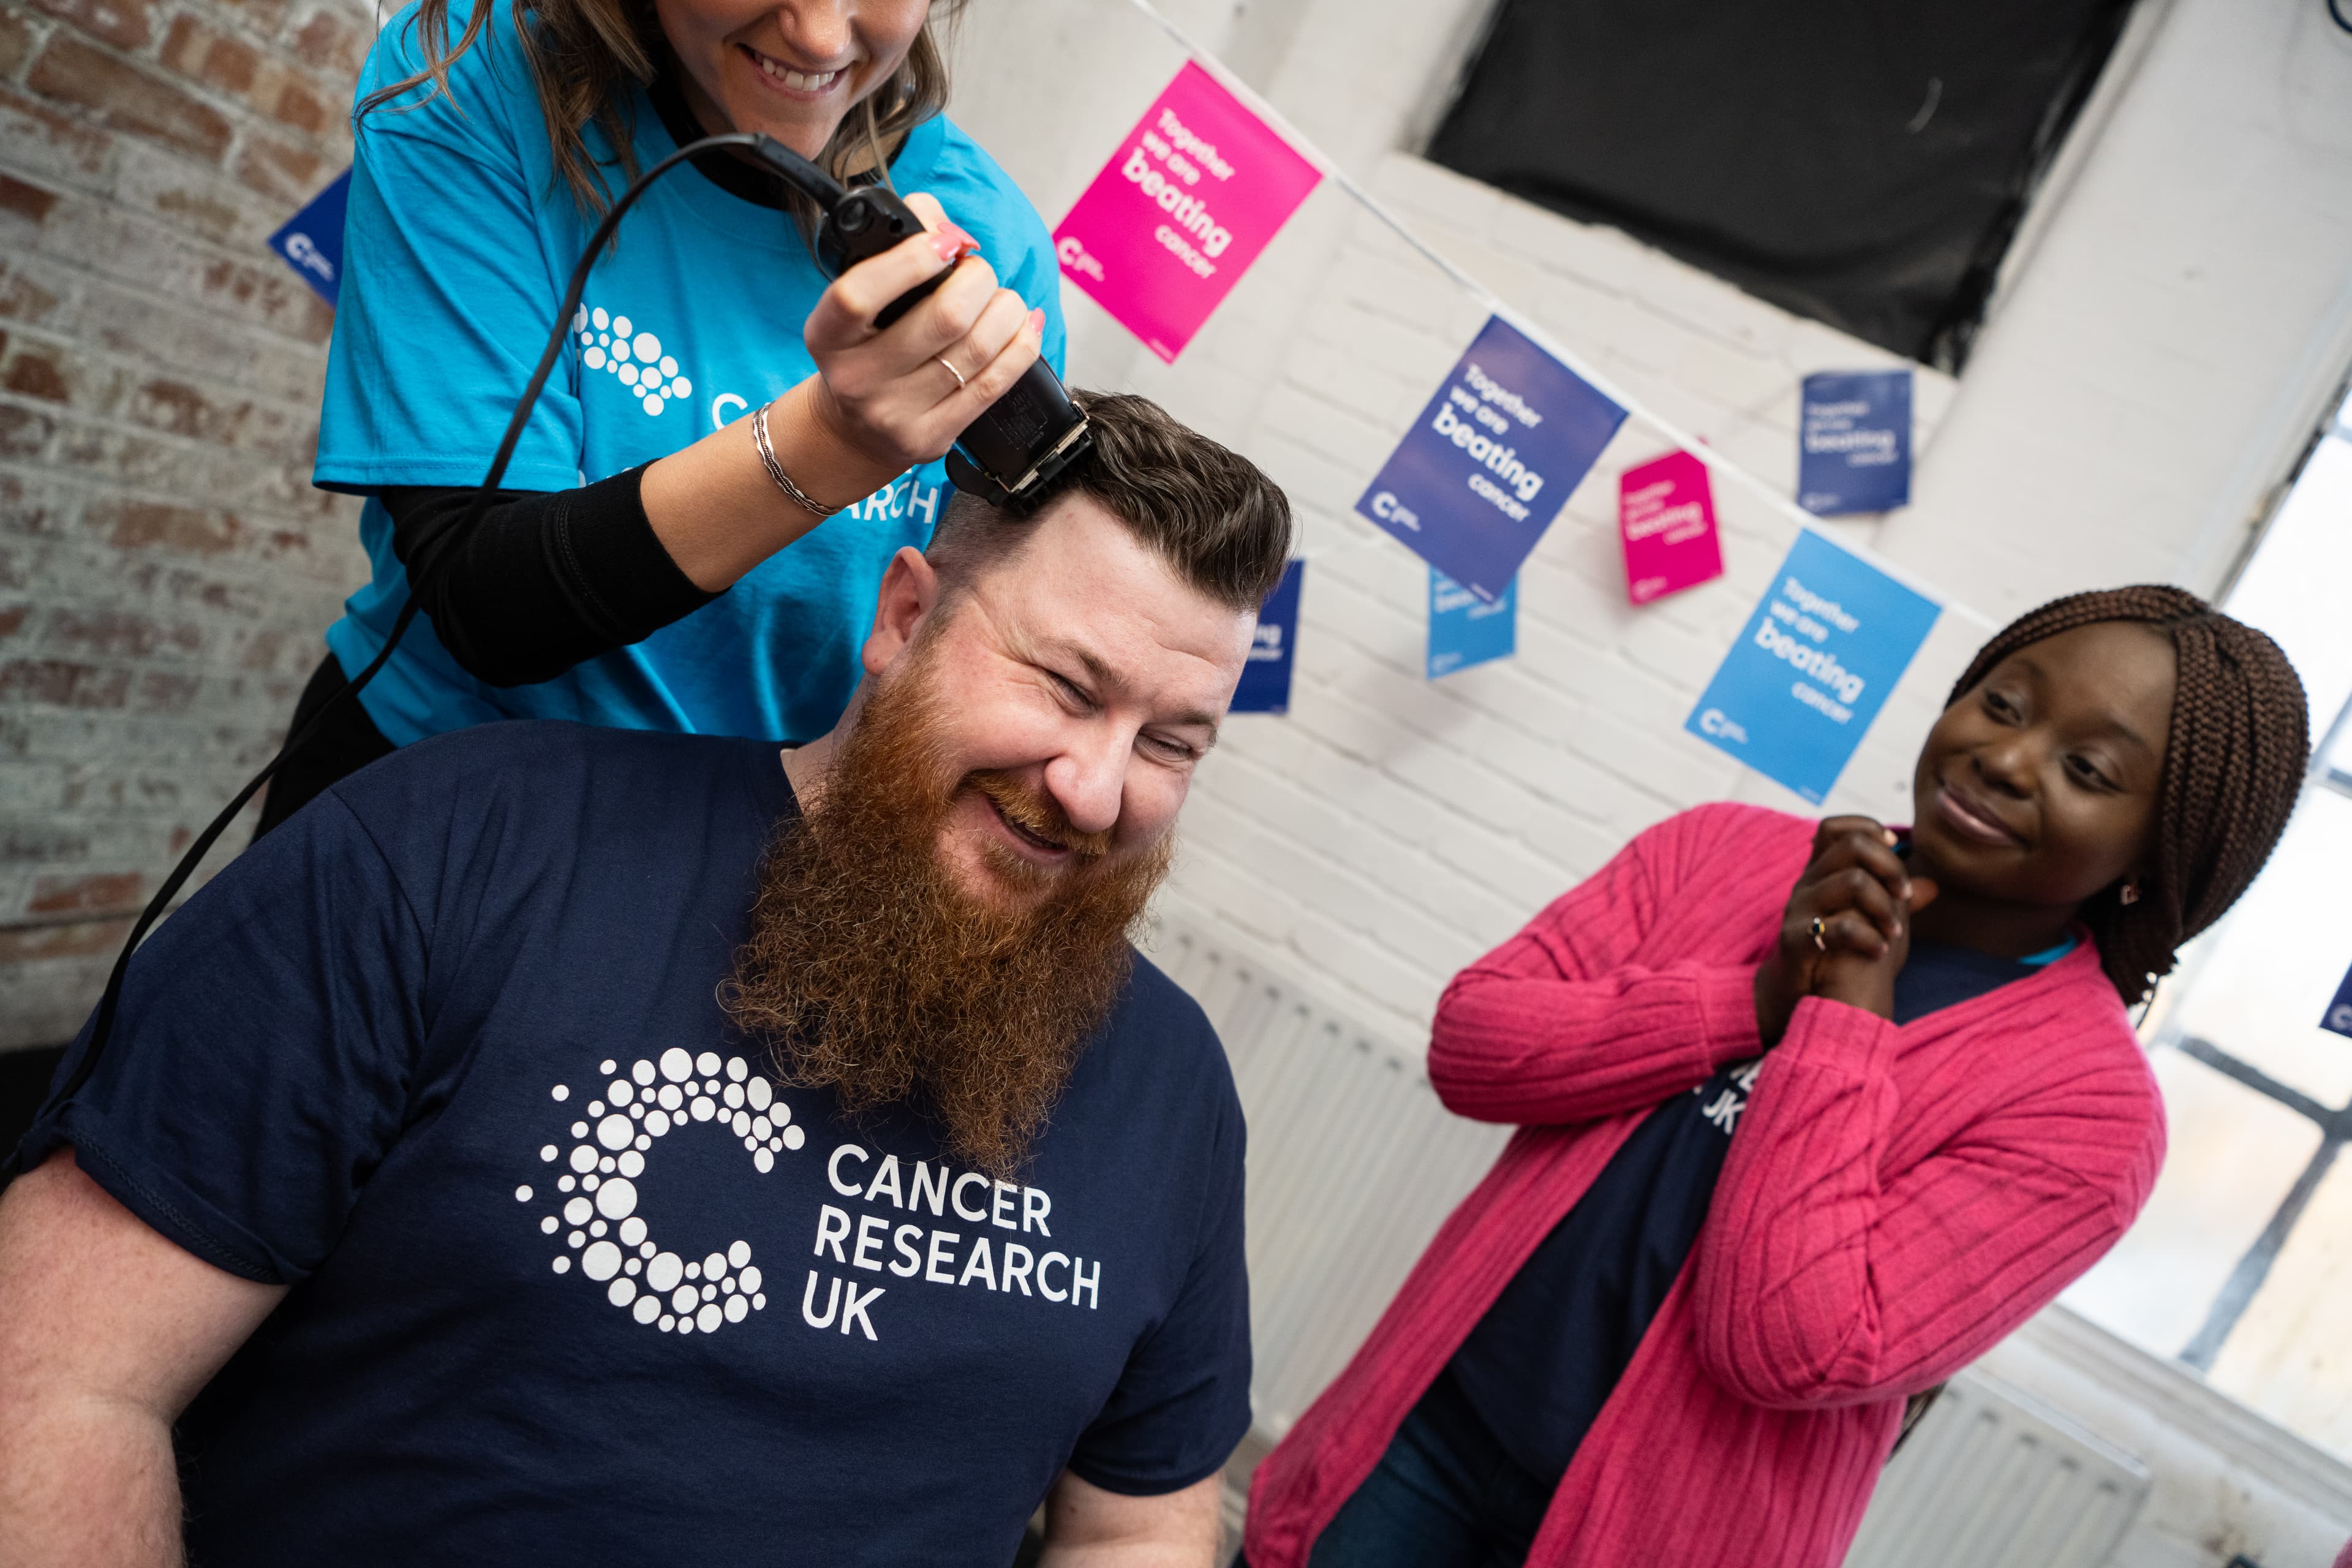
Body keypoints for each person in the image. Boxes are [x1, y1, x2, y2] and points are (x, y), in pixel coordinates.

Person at [0, 393, 1292, 1566]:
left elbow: (1137, 1521)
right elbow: (55, 1380)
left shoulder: (1173, 1085)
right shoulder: (463, 849)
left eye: (1169, 741)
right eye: (1067, 685)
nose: (1095, 786)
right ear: (906, 617)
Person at [1242, 586, 2310, 1568]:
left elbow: (1790, 1345)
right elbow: (1476, 1046)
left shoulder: (2089, 1112)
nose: (2008, 759)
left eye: (2089, 771)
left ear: (2154, 862)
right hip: (1430, 1428)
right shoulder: (1726, 853)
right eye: (2003, 704)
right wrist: (1746, 1004)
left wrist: (1842, 1016)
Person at [259, 0, 1068, 831]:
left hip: (739, 847)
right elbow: (488, 606)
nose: (822, 37)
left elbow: (961, 663)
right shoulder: (465, 77)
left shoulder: (999, 247)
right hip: (422, 791)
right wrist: (833, 444)